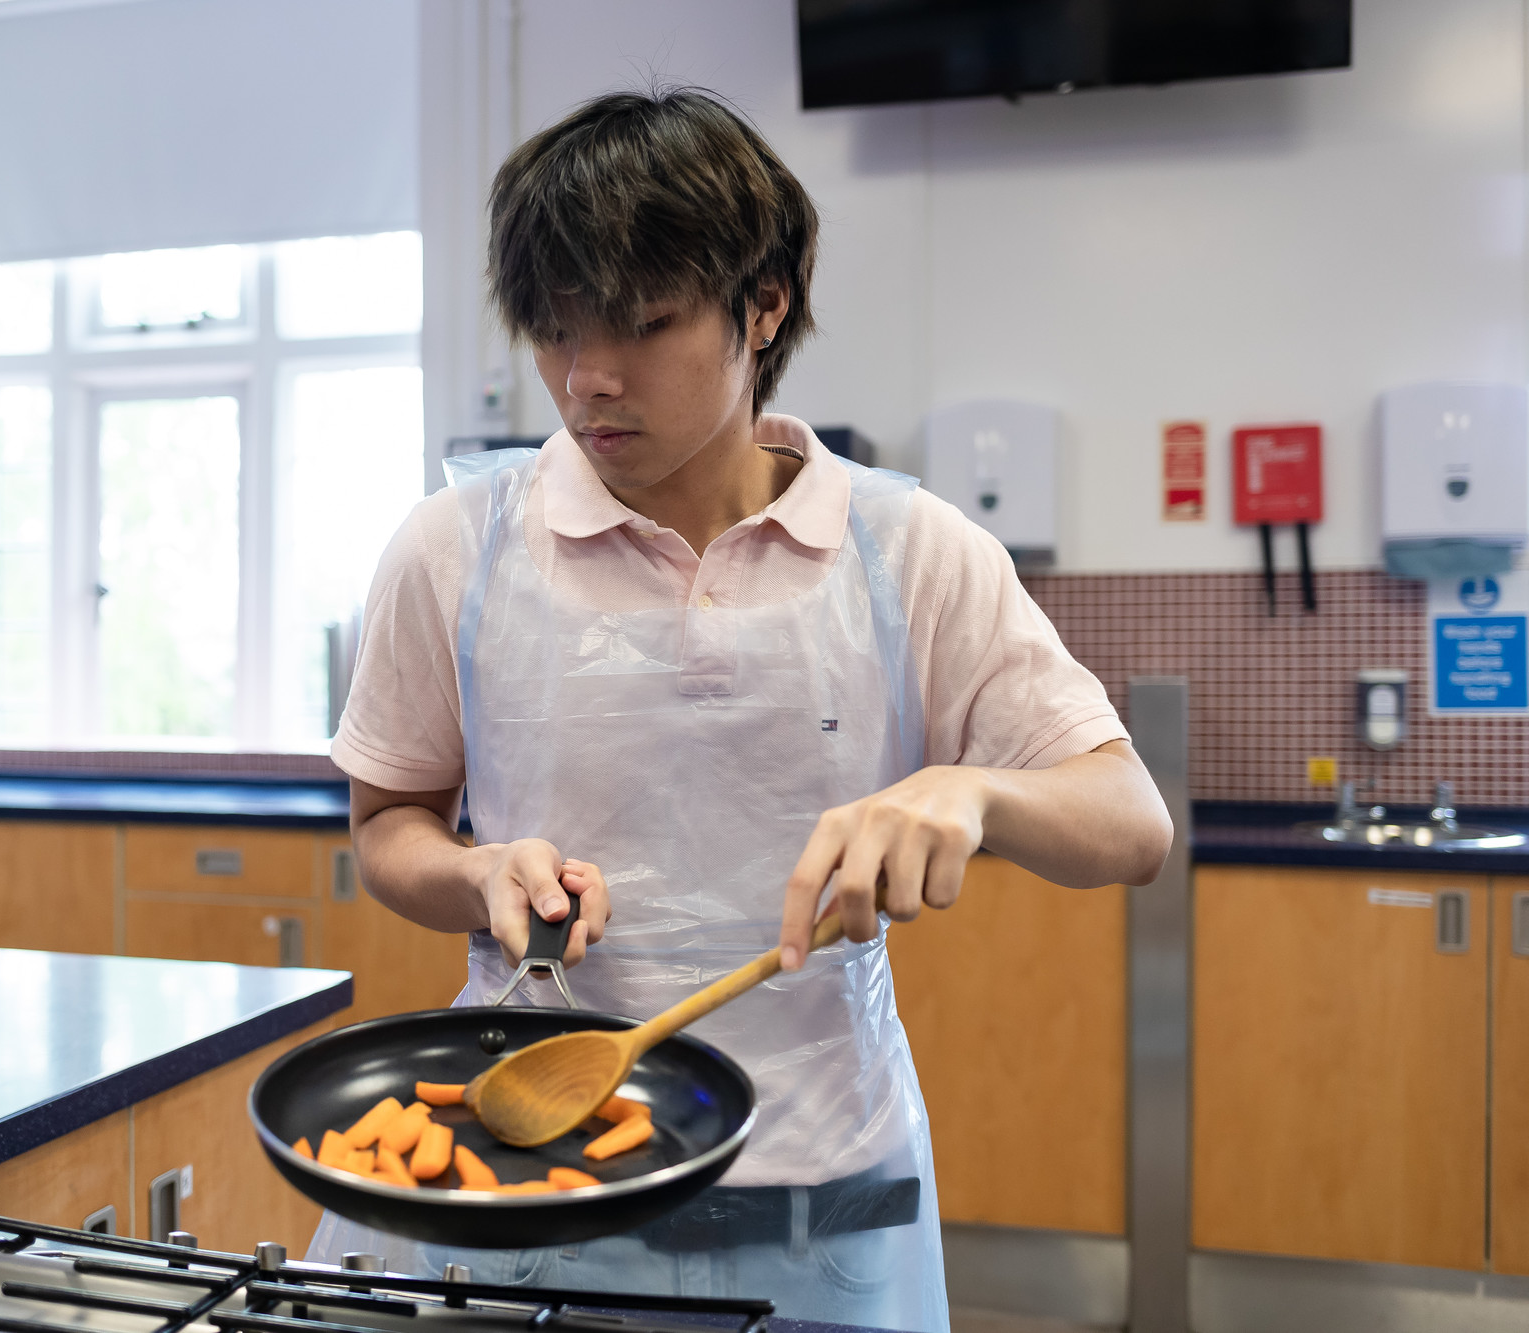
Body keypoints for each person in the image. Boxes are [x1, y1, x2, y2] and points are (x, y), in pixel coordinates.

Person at [307, 87, 1173, 1331]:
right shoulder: (459, 547)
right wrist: (478, 871)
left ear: (762, 304)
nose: (586, 378)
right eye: (553, 330)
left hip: (821, 1204)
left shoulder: (902, 551)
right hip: (537, 1194)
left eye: (642, 325)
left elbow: (1130, 822)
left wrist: (972, 791)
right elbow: (388, 823)